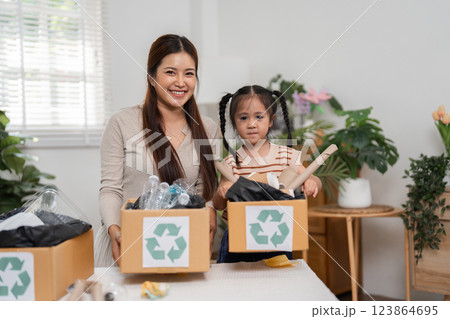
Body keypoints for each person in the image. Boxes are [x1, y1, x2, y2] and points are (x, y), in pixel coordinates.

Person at [95, 34, 219, 267]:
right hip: (128, 241)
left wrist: (210, 216)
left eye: (189, 73)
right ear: (152, 77)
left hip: (180, 244)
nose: (181, 82)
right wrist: (115, 230)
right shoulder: (122, 122)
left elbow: (204, 191)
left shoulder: (208, 128)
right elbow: (110, 188)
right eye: (171, 72)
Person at [213, 85, 322, 263]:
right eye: (243, 117)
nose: (251, 124)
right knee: (234, 286)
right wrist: (222, 190)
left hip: (276, 237)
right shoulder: (231, 163)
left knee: (277, 285)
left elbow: (313, 178)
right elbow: (218, 204)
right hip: (238, 238)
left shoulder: (286, 156)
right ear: (234, 122)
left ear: (271, 120)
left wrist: (312, 182)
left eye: (259, 117)